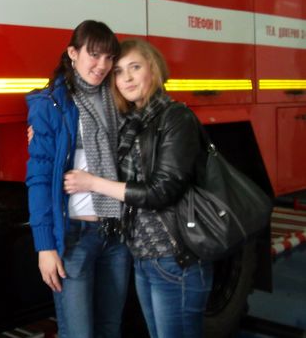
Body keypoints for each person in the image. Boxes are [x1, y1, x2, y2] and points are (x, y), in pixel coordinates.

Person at [64, 38, 213, 338]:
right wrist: (45, 134)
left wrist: (93, 183)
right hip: (144, 256)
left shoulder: (175, 117)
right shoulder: (133, 122)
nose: (127, 78)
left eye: (135, 67)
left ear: (153, 69)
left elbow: (161, 191)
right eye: (119, 72)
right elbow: (95, 140)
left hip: (175, 256)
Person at [26, 20, 130, 338]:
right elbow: (39, 178)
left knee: (110, 329)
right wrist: (45, 247)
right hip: (75, 238)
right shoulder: (52, 104)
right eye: (94, 55)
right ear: (73, 53)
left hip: (116, 235)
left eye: (109, 57)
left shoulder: (119, 99)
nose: (102, 65)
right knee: (78, 333)